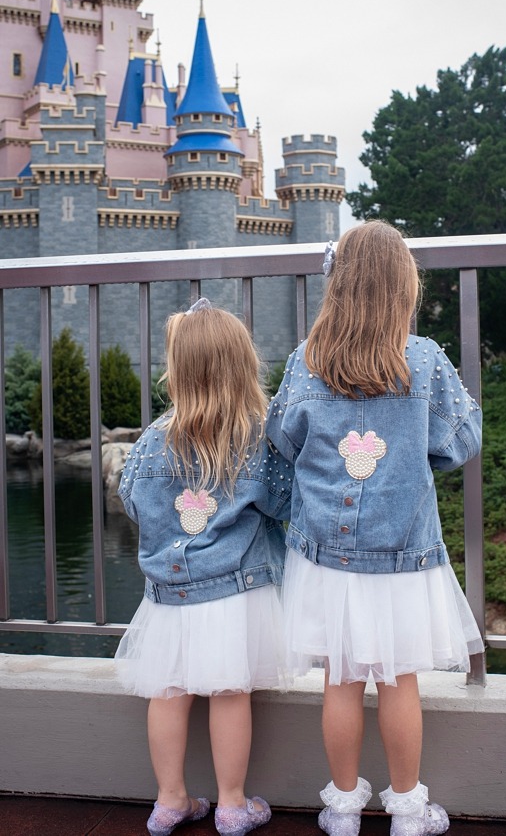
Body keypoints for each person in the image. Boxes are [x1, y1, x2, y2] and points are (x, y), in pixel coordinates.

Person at [266, 221, 483, 835]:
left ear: (338, 283)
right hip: (403, 553)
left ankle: (341, 809)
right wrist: (418, 460)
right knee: (398, 679)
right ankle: (408, 809)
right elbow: (461, 437)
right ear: (402, 286)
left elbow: (282, 439)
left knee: (339, 677)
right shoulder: (425, 359)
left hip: (325, 555)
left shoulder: (304, 362)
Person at [115, 298, 292, 836]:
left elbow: (130, 500)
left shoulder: (150, 442)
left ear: (177, 369)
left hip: (170, 594)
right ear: (243, 365)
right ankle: (233, 805)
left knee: (168, 692)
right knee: (230, 693)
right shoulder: (255, 436)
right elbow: (283, 503)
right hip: (237, 590)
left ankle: (169, 801)